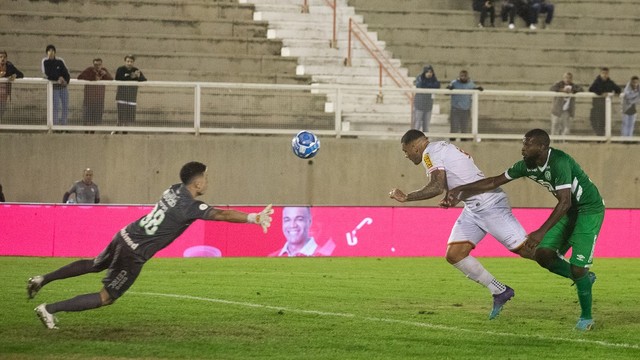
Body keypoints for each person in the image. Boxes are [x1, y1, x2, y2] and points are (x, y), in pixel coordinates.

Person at [27, 161, 274, 330]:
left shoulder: (173, 189)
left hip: (124, 234)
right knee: (106, 297)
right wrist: (253, 218)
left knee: (94, 264)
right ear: (197, 184)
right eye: (205, 178)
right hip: (134, 252)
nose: (207, 182)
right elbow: (220, 214)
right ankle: (49, 309)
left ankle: (42, 279)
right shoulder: (190, 205)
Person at [445, 129, 603, 331]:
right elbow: (494, 181)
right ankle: (583, 279)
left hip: (588, 211)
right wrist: (461, 190)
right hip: (570, 211)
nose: (523, 149)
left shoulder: (559, 161)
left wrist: (541, 231)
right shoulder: (527, 166)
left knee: (578, 267)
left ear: (543, 147)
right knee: (543, 255)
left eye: (528, 145)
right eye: (523, 143)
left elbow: (565, 202)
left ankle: (586, 317)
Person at [388, 129, 534, 320]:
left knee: (527, 250)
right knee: (454, 254)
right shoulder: (440, 148)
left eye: (405, 151)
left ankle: (573, 270)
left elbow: (436, 186)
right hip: (473, 207)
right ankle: (500, 291)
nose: (406, 156)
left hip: (488, 204)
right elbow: (462, 177)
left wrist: (407, 197)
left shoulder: (429, 154)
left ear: (415, 145)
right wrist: (454, 198)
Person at [446, 70, 483, 140]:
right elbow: (446, 92)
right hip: (455, 110)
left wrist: (478, 89)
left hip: (465, 110)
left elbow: (475, 89)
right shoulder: (454, 83)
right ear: (459, 76)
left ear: (467, 76)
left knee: (464, 129)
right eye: (462, 76)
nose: (463, 77)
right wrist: (449, 88)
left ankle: (463, 145)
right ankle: (451, 145)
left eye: (465, 76)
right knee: (454, 128)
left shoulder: (471, 84)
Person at [77, 58, 113, 127]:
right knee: (87, 119)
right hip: (88, 99)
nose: (98, 66)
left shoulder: (104, 71)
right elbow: (80, 77)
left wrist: (105, 74)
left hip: (99, 100)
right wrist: (93, 78)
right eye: (96, 65)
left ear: (102, 65)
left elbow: (111, 79)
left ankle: (92, 134)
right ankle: (86, 133)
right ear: (93, 65)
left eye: (99, 65)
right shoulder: (89, 70)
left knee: (96, 121)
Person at [115, 54, 146, 130]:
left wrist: (138, 76)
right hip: (121, 96)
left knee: (128, 117)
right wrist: (130, 76)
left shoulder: (136, 70)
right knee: (121, 116)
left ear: (133, 62)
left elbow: (144, 80)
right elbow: (117, 79)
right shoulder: (120, 69)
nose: (129, 63)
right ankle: (117, 129)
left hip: (131, 97)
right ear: (125, 61)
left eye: (131, 61)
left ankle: (125, 131)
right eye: (128, 61)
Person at [41, 45, 70, 126]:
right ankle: (55, 125)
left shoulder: (60, 62)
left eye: (52, 51)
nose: (51, 53)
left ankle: (64, 125)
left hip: (63, 87)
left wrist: (66, 81)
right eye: (49, 51)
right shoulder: (45, 62)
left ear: (55, 52)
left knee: (65, 106)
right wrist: (58, 78)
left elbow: (66, 72)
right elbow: (48, 74)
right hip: (54, 88)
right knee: (55, 107)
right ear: (47, 53)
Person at [588, 67, 621, 136]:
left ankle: (601, 136)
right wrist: (601, 93)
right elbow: (591, 89)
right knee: (594, 120)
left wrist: (615, 93)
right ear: (600, 74)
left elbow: (618, 89)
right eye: (603, 73)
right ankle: (599, 135)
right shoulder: (596, 82)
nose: (605, 75)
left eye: (606, 73)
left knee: (603, 122)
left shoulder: (610, 82)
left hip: (605, 107)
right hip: (596, 106)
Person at [413, 65, 441, 132]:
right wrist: (430, 86)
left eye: (431, 72)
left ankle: (425, 140)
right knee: (417, 124)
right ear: (424, 72)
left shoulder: (434, 79)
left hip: (428, 105)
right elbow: (421, 85)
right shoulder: (420, 78)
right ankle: (414, 140)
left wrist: (428, 85)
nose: (429, 74)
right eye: (427, 72)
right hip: (419, 105)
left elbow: (437, 85)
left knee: (426, 125)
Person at [0, 50, 24, 122]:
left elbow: (21, 74)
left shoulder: (9, 66)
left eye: (4, 57)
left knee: (2, 110)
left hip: (4, 94)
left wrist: (14, 75)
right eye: (0, 57)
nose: (2, 59)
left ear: (6, 58)